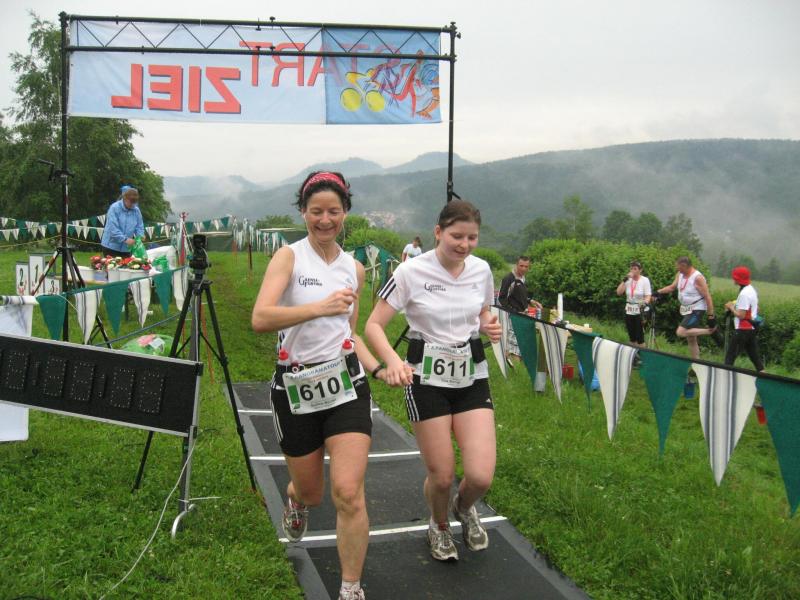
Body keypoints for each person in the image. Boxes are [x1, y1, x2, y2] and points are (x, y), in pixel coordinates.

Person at [251, 171, 389, 600]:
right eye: (316, 212)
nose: (325, 220)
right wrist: (317, 308)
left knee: (348, 492)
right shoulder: (288, 258)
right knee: (312, 492)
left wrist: (378, 368)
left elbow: (349, 333)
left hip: (345, 383)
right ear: (303, 213)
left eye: (333, 211)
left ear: (345, 212)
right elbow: (260, 318)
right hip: (295, 386)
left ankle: (350, 587)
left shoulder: (355, 269)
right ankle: (295, 498)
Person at [365, 200, 502, 562]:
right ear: (438, 232)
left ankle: (464, 508)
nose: (464, 245)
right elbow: (373, 325)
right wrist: (392, 361)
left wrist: (487, 325)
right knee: (441, 476)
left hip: (471, 376)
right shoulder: (411, 272)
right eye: (457, 236)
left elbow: (483, 311)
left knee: (480, 477)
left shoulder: (481, 270)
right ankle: (439, 524)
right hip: (425, 380)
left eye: (472, 238)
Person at [656, 256, 717, 359]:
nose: (677, 269)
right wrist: (658, 292)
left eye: (679, 267)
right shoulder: (680, 274)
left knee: (680, 332)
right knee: (691, 338)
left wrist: (711, 316)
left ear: (684, 266)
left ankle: (710, 331)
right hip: (687, 309)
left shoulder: (697, 278)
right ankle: (696, 362)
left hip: (697, 308)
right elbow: (672, 287)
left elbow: (707, 297)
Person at [724, 266, 764, 371]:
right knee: (756, 360)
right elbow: (757, 308)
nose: (733, 279)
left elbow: (741, 315)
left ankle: (725, 379)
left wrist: (731, 307)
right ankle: (765, 379)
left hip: (743, 329)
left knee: (729, 359)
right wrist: (736, 305)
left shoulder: (744, 294)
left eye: (734, 277)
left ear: (739, 279)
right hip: (751, 328)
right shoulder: (751, 289)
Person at [100, 185, 144, 258]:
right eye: (130, 202)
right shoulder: (114, 208)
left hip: (126, 249)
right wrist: (125, 239)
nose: (132, 205)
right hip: (110, 247)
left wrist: (140, 236)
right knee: (112, 265)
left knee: (128, 265)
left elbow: (139, 226)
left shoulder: (136, 210)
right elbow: (113, 229)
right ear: (124, 198)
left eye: (134, 203)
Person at [615, 260, 652, 348]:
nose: (632, 270)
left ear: (640, 270)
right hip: (629, 310)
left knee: (640, 337)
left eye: (635, 269)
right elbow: (619, 292)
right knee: (632, 337)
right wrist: (624, 280)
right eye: (631, 268)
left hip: (640, 310)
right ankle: (633, 354)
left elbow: (648, 296)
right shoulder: (628, 280)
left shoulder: (645, 280)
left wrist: (645, 303)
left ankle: (642, 353)